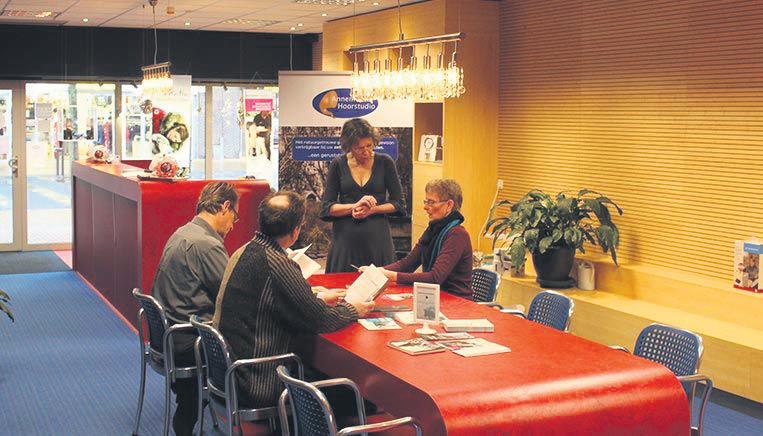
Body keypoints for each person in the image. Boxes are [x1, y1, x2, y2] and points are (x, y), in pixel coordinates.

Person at [213, 190, 374, 409]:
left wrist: (313, 296)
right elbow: (321, 319)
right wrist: (353, 309)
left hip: (230, 373)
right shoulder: (278, 264)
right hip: (258, 381)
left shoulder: (244, 250)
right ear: (295, 230)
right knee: (360, 398)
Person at [152, 181, 240, 436]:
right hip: (191, 341)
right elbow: (233, 296)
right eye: (234, 216)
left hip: (170, 335)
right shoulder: (207, 244)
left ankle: (196, 405)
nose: (233, 225)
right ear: (225, 207)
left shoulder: (182, 232)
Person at [320, 118, 405, 272]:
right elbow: (327, 208)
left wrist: (372, 210)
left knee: (380, 284)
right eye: (359, 148)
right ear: (349, 146)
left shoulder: (385, 162)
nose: (366, 152)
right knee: (341, 284)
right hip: (345, 242)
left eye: (369, 146)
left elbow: (398, 204)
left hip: (378, 241)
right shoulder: (338, 164)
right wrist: (355, 206)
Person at [365, 179, 473, 297]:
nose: (425, 207)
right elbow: (407, 265)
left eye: (431, 202)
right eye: (426, 202)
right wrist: (376, 271)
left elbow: (435, 278)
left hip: (456, 301)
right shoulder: (433, 229)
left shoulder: (457, 234)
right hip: (434, 297)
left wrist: (390, 276)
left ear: (449, 205)